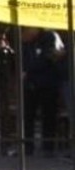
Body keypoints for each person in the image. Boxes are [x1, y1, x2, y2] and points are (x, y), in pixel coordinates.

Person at [21, 27, 67, 157]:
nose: (25, 34)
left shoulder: (49, 37)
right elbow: (23, 58)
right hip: (31, 84)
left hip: (48, 83)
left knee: (49, 116)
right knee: (28, 116)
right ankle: (27, 147)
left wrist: (28, 70)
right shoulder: (27, 42)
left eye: (27, 30)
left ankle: (48, 147)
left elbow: (48, 58)